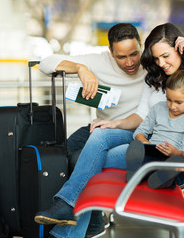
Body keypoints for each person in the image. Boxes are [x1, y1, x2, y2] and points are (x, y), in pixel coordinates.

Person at [34, 23, 184, 238]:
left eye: (166, 56)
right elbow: (141, 116)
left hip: (163, 150)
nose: (162, 63)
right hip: (145, 137)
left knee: (90, 160)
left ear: (181, 49)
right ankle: (67, 207)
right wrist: (113, 123)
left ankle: (67, 221)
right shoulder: (155, 76)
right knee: (100, 134)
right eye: (157, 58)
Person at [39, 23, 146, 238]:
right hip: (100, 126)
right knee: (61, 156)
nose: (130, 62)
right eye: (122, 57)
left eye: (134, 54)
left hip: (131, 131)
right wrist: (81, 68)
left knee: (81, 159)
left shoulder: (151, 65)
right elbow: (46, 63)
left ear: (141, 45)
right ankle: (94, 220)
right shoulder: (99, 61)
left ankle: (74, 216)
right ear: (111, 53)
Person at [126, 69, 184, 189]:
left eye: (178, 102)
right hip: (153, 155)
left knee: (178, 162)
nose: (172, 106)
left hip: (172, 159)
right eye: (169, 99)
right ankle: (137, 174)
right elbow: (139, 132)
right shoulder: (158, 108)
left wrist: (175, 152)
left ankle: (160, 179)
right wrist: (145, 143)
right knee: (136, 145)